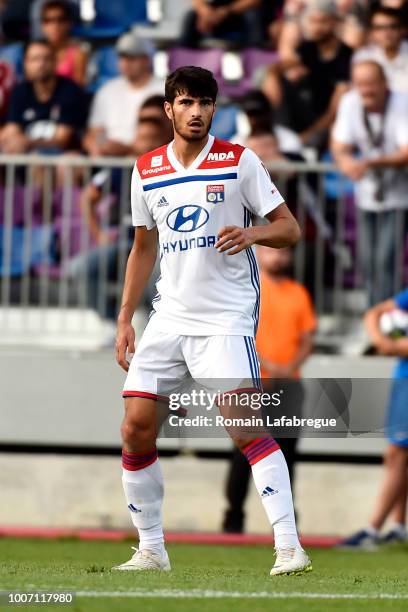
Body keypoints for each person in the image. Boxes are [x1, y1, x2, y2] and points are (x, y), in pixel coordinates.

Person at [113, 65, 312, 576]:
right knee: (136, 428)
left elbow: (289, 229)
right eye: (185, 102)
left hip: (225, 318)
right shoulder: (146, 169)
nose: (196, 111)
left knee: (244, 427)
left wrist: (252, 236)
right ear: (169, 109)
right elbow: (142, 248)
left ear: (214, 109)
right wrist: (124, 318)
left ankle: (289, 546)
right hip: (167, 318)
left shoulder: (239, 161)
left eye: (204, 102)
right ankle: (151, 549)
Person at [223, 246, 316, 533]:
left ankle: (286, 520)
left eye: (286, 253)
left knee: (287, 453)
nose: (279, 257)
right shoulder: (247, 289)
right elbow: (239, 333)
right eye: (273, 251)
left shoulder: (298, 293)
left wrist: (287, 369)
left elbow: (307, 337)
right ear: (259, 254)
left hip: (289, 386)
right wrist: (267, 366)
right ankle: (234, 515)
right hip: (254, 385)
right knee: (244, 453)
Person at [67, 96, 172, 320]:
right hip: (125, 243)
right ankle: (114, 324)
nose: (146, 143)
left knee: (153, 274)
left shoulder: (172, 167)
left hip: (162, 245)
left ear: (163, 139)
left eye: (152, 138)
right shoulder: (123, 167)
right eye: (142, 138)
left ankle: (151, 322)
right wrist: (99, 234)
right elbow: (88, 197)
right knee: (80, 268)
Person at [331, 60, 408, 306]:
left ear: (384, 83)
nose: (366, 90)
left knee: (386, 259)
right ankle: (373, 316)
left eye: (371, 83)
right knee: (367, 260)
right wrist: (345, 163)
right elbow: (339, 144)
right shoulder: (350, 102)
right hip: (367, 195)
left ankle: (385, 316)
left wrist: (371, 163)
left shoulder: (402, 103)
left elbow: (406, 151)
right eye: (361, 84)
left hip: (399, 195)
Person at [339, 292, 408, 548]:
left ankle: (372, 529)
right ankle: (399, 526)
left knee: (396, 454)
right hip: (403, 378)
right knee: (400, 454)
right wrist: (383, 341)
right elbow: (373, 314)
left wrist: (394, 345)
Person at [262, 0, 352, 148]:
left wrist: (308, 134)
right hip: (308, 110)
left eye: (323, 21)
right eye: (313, 21)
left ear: (335, 22)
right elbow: (278, 68)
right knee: (270, 77)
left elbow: (334, 110)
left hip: (330, 121)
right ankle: (276, 130)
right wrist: (272, 75)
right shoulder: (308, 48)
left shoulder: (346, 56)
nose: (317, 27)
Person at [83, 32, 164, 158]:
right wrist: (100, 146)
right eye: (121, 57)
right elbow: (96, 131)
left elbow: (165, 135)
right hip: (110, 159)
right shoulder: (107, 90)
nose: (125, 62)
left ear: (147, 59)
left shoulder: (164, 89)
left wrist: (128, 149)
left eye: (131, 57)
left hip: (149, 160)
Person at [0, 39, 86, 154]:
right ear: (25, 64)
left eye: (46, 59)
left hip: (63, 155)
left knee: (38, 160)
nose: (41, 64)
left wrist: (26, 142)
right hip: (27, 152)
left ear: (56, 62)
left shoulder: (70, 90)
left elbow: (62, 140)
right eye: (34, 59)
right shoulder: (20, 91)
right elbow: (12, 129)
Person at [353, 6, 408, 94]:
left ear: (403, 29)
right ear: (372, 32)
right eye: (380, 28)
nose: (387, 33)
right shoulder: (363, 57)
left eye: (392, 27)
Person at [40, 0, 87, 86]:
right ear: (42, 25)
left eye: (60, 19)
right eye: (48, 20)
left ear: (69, 23)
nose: (55, 25)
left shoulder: (78, 54)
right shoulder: (35, 53)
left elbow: (78, 89)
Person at [179, 0, 263, 48]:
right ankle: (182, 61)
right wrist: (205, 13)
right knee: (190, 16)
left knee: (252, 15)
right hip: (211, 16)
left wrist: (227, 11)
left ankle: (254, 57)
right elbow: (197, 2)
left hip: (237, 14)